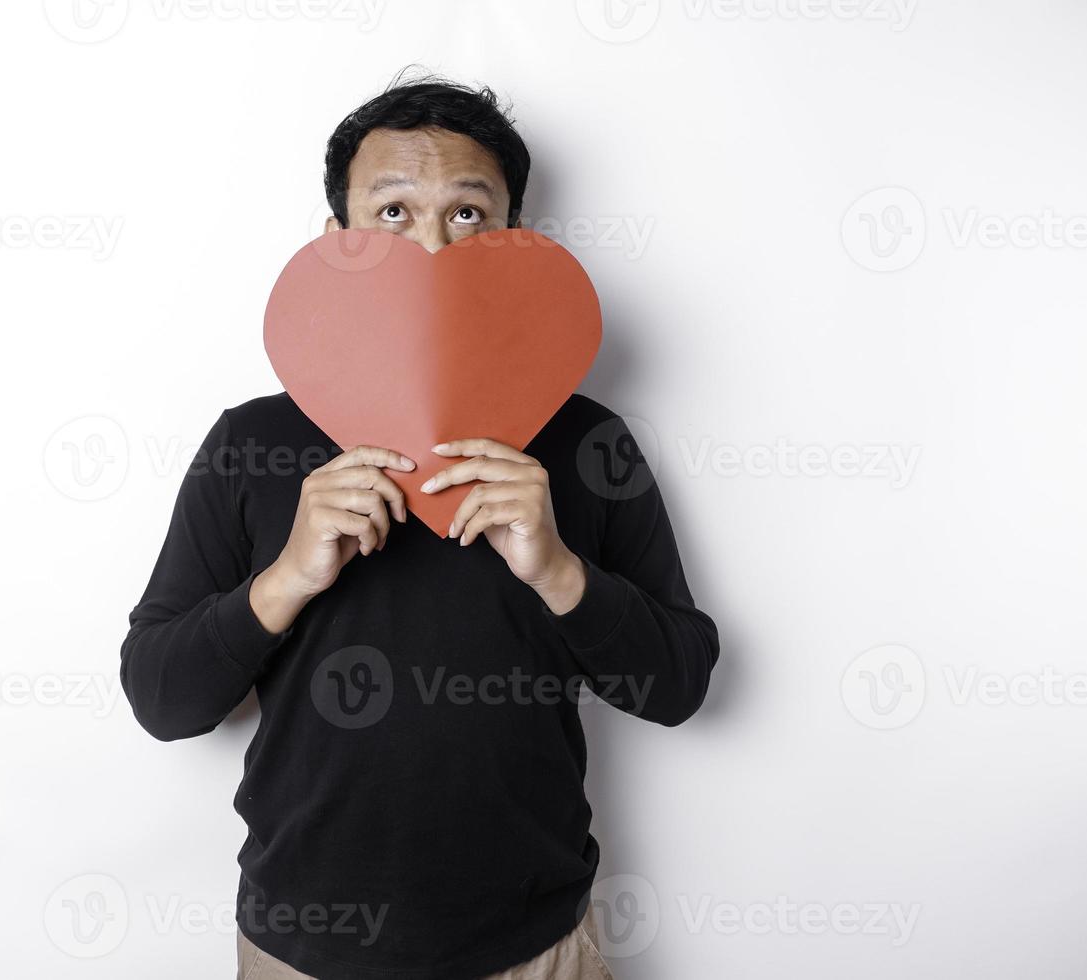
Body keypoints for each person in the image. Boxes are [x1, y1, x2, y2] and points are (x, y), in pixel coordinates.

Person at [120, 72, 720, 980]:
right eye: (393, 212)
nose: (433, 246)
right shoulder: (252, 442)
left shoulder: (591, 442)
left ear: (514, 240)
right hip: (300, 945)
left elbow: (677, 686)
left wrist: (559, 570)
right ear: (337, 243)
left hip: (537, 944)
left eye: (468, 215)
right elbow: (162, 701)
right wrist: (285, 578)